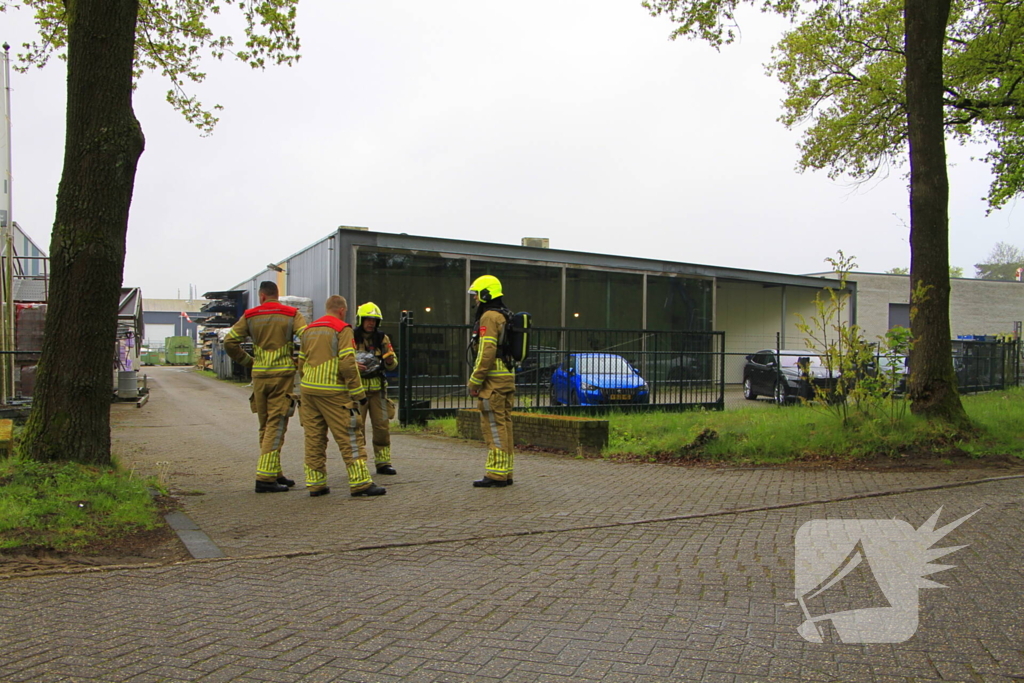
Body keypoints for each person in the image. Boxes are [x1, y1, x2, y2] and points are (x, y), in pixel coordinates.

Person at [298, 295, 386, 498]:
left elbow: (301, 363)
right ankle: (361, 483)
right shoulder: (342, 329)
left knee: (314, 438)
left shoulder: (308, 330)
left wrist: (307, 383)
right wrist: (358, 394)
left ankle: (315, 484)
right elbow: (347, 364)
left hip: (308, 390)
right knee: (350, 435)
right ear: (341, 310)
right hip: (333, 392)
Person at [224, 281, 307, 493]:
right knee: (277, 425)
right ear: (276, 295)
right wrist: (300, 362)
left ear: (261, 296)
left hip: (260, 376)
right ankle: (265, 478)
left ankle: (275, 471)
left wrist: (248, 361)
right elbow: (307, 339)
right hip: (282, 376)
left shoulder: (250, 315)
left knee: (265, 425)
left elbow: (229, 342)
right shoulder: (291, 314)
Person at [467, 275, 516, 487]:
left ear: (486, 294)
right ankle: (506, 472)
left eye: (477, 295)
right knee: (505, 425)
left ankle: (496, 474)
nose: (476, 299)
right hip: (506, 378)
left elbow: (486, 352)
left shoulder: (489, 317)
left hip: (492, 383)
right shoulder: (506, 315)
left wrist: (475, 381)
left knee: (494, 427)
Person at [353, 302, 400, 475]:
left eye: (374, 320)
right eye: (368, 320)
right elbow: (342, 360)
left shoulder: (382, 339)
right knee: (357, 428)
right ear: (361, 320)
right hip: (357, 392)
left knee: (382, 427)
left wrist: (389, 361)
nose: (371, 323)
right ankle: (359, 462)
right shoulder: (351, 337)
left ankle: (383, 463)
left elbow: (393, 363)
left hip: (378, 391)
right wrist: (353, 365)